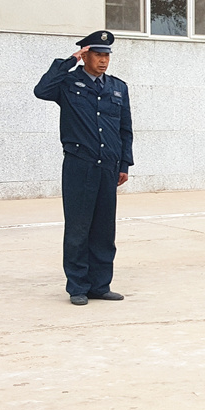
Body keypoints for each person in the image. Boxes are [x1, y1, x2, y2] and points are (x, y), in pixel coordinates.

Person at [34, 31, 134, 305]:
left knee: (104, 231)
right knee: (78, 229)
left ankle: (100, 285)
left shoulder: (118, 87)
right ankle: (78, 287)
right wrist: (69, 61)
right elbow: (41, 90)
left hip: (108, 167)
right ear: (86, 56)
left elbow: (125, 129)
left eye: (107, 56)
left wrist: (124, 163)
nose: (103, 61)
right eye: (98, 55)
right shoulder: (68, 83)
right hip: (79, 166)